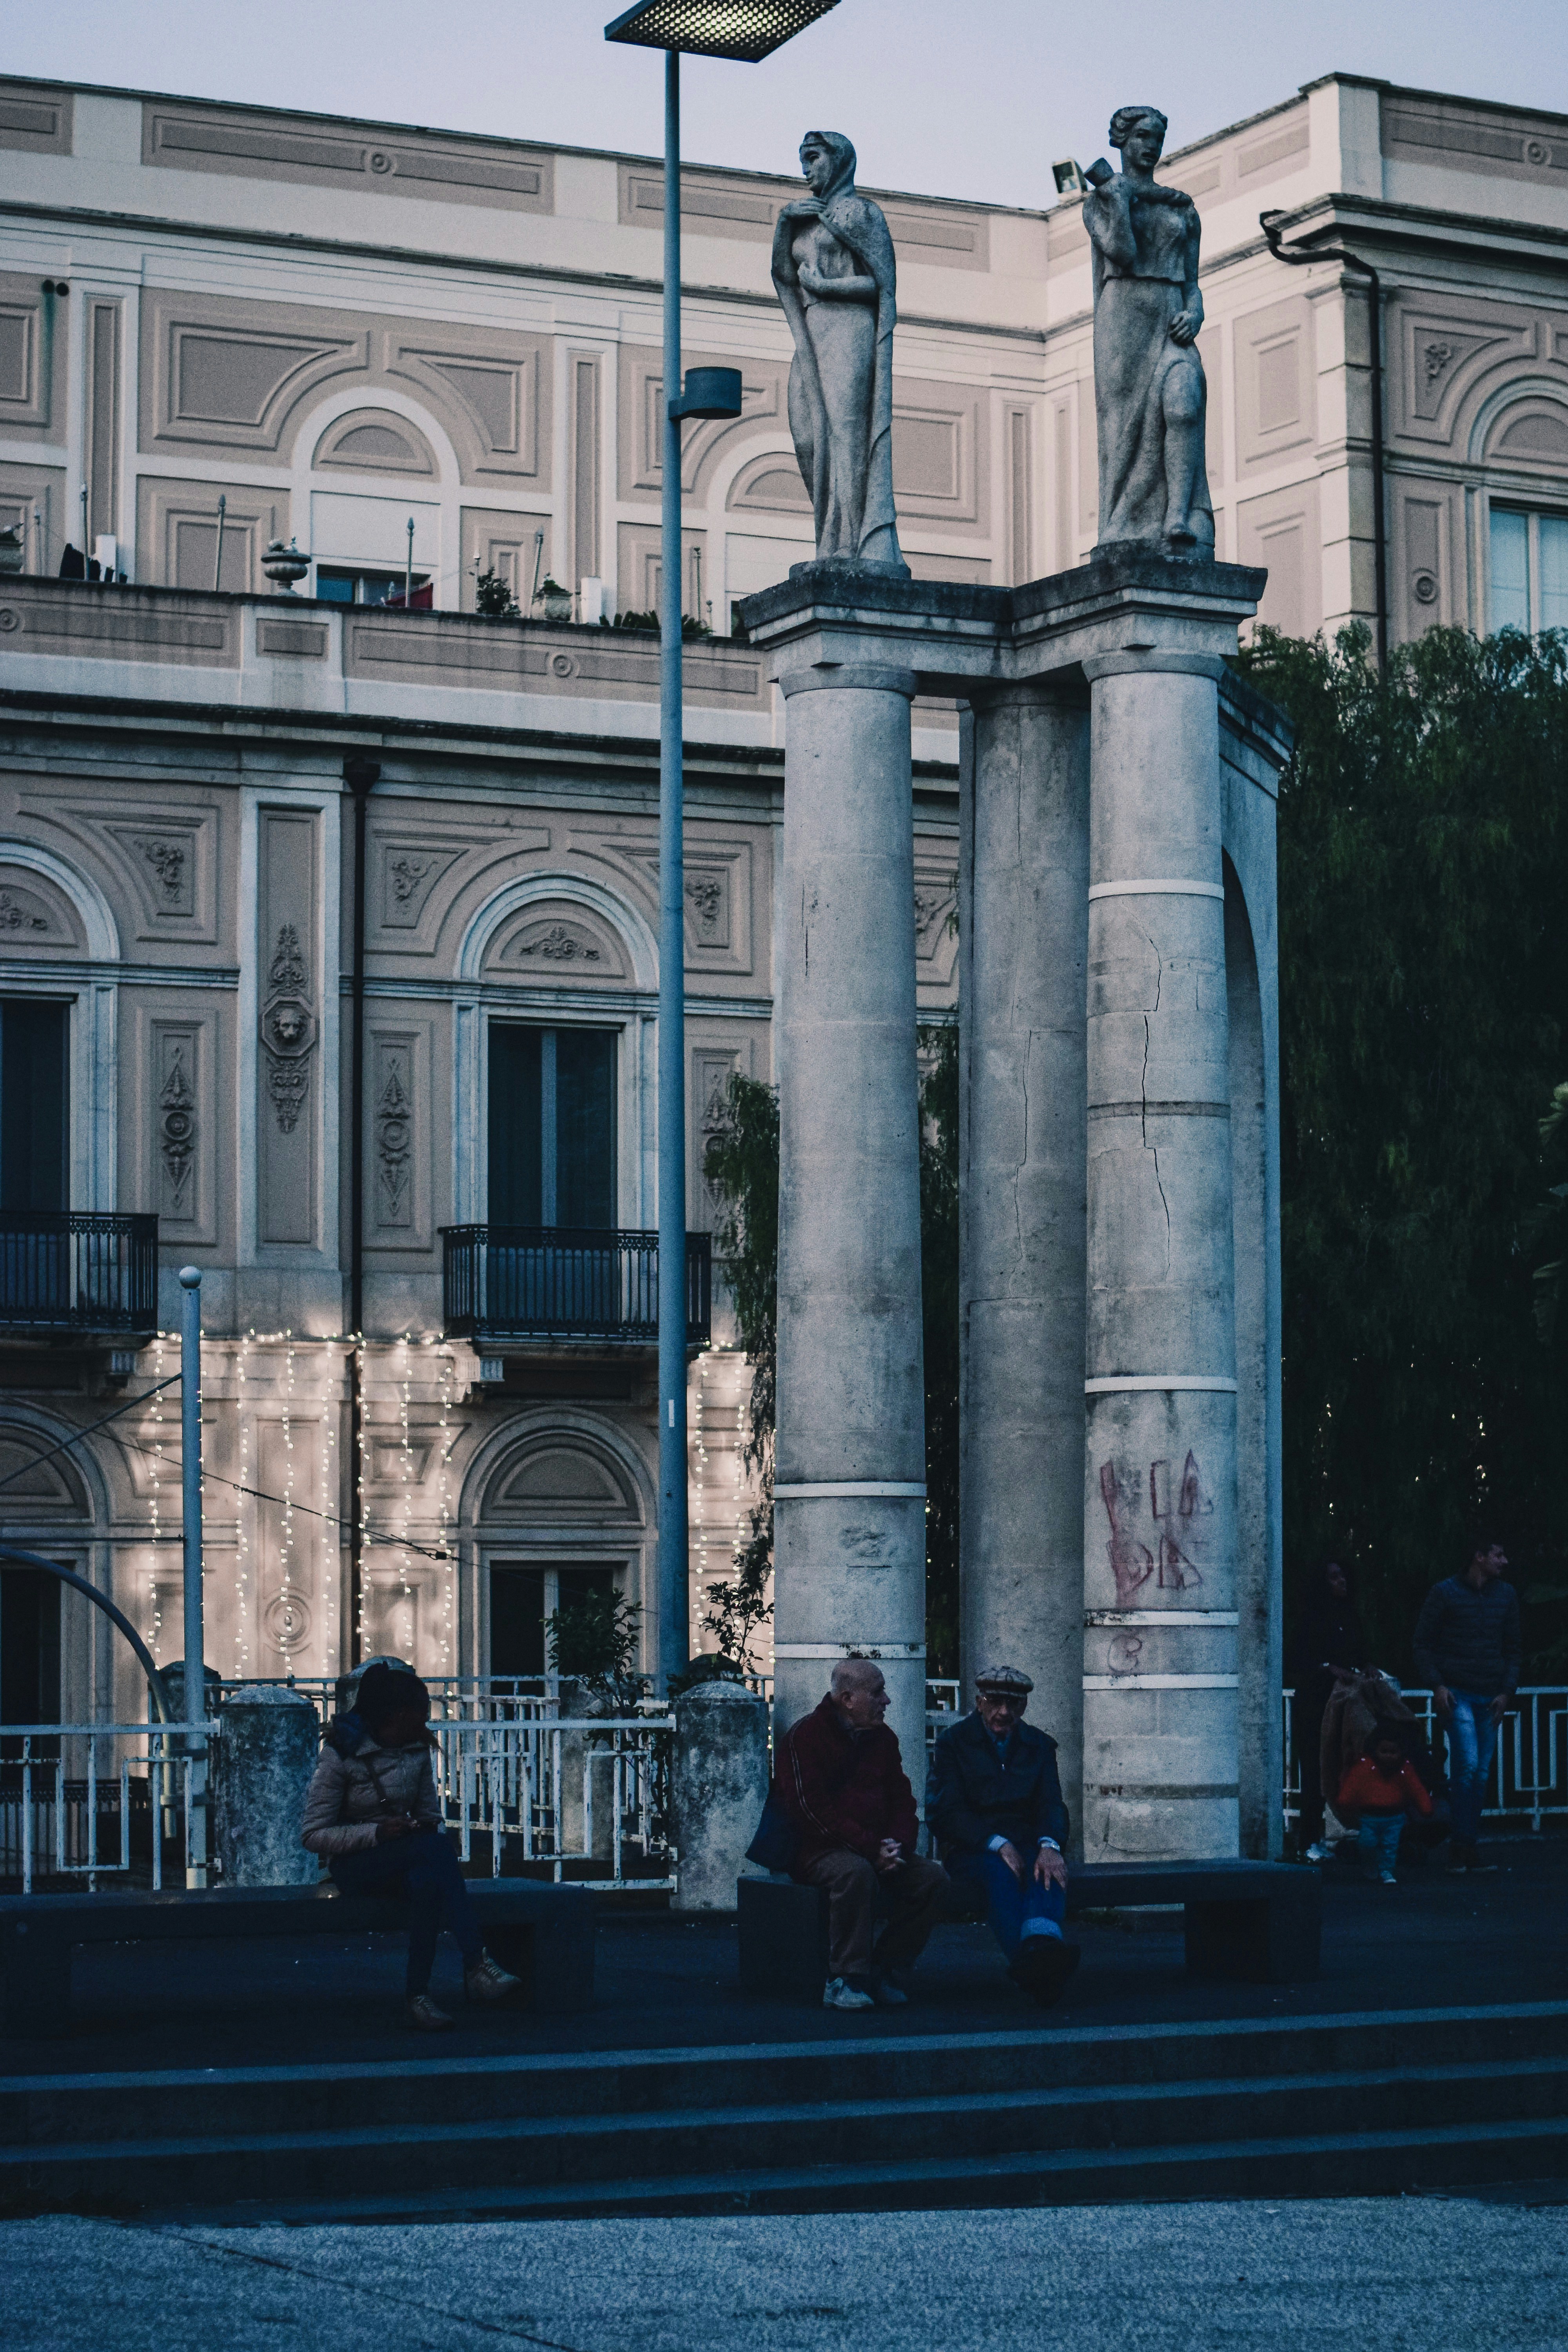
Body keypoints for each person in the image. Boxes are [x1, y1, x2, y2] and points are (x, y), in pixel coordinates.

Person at [301, 1660, 521, 2031]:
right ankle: (476, 1965)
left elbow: (429, 1815)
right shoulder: (339, 1755)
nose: (426, 1722)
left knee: (427, 1881)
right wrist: (376, 1833)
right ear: (398, 1715)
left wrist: (417, 1826)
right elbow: (313, 1835)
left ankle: (418, 1996)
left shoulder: (416, 1751)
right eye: (420, 1714)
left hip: (405, 1855)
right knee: (433, 1852)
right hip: (354, 1866)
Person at [775, 1657, 949, 2012]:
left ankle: (887, 1968)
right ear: (849, 1699)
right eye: (878, 1692)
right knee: (854, 1873)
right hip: (817, 1849)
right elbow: (811, 1813)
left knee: (933, 1878)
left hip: (876, 1847)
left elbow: (903, 1798)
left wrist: (898, 1845)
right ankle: (845, 1978)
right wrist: (874, 1849)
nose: (887, 1700)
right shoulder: (804, 1738)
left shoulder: (882, 1739)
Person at [1083, 104, 1216, 552]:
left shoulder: (1180, 207)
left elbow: (1193, 281)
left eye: (1156, 139)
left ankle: (1178, 517)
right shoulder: (1102, 200)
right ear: (1122, 141)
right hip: (1124, 318)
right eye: (1142, 137)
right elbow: (1120, 252)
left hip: (1171, 314)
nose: (1151, 147)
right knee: (1125, 428)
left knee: (1184, 404)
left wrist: (1195, 312)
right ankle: (1125, 526)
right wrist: (1118, 200)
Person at [926, 1664, 1080, 2007]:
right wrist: (997, 1844)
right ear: (979, 1702)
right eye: (994, 1702)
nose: (1004, 1712)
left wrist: (1050, 1845)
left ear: (1024, 1707)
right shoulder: (953, 1743)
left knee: (1049, 1870)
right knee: (1001, 1873)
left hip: (1029, 1843)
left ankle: (1037, 1958)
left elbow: (1051, 1804)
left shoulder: (1039, 1745)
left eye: (1013, 1704)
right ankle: (1041, 1967)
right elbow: (944, 1812)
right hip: (973, 1848)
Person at [1412, 1538, 1521, 1875]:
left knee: (1480, 1772)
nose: (1504, 1561)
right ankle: (1462, 1846)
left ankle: (1466, 1845)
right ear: (1479, 1557)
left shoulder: (1506, 1595)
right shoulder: (1445, 1592)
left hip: (1489, 1693)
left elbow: (1514, 1647)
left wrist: (1506, 1692)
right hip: (1457, 1691)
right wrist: (1437, 1684)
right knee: (1469, 1765)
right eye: (1498, 1554)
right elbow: (1422, 1642)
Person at [1290, 1561, 1367, 1860]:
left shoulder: (1349, 1616)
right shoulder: (1310, 1620)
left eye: (1342, 1575)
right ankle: (1308, 1840)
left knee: (1336, 1770)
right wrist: (1327, 1669)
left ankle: (1327, 1835)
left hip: (1341, 1704)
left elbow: (1360, 1652)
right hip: (1315, 1704)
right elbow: (1298, 1663)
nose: (1342, 1581)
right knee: (1313, 1772)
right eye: (1334, 1578)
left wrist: (1365, 1667)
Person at [1336, 1723, 1434, 1885]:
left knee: (1390, 1846)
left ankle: (1386, 1871)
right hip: (1369, 1817)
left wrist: (1426, 1808)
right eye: (1384, 1752)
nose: (1389, 1756)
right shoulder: (1365, 1767)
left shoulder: (1404, 1769)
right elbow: (1353, 1786)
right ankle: (1370, 1864)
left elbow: (1417, 1789)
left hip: (1395, 1817)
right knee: (1367, 1843)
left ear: (1401, 1752)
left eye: (1393, 1752)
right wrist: (1344, 1802)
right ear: (1375, 1750)